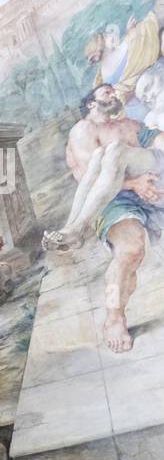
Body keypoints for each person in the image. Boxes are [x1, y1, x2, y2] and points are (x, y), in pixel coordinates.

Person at [48, 83, 163, 352]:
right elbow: (90, 178)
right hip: (116, 199)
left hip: (156, 180)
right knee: (129, 250)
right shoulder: (83, 131)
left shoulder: (129, 125)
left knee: (114, 151)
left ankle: (75, 227)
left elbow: (157, 142)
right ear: (91, 103)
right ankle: (114, 316)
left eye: (113, 91)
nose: (113, 94)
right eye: (106, 92)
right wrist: (133, 185)